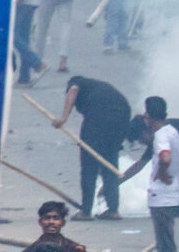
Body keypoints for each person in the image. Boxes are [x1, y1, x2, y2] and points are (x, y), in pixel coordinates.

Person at [55, 74, 132, 217]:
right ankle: (113, 210)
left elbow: (73, 90)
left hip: (99, 119)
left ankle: (86, 211)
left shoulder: (77, 83)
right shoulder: (98, 86)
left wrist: (63, 118)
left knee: (89, 166)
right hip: (121, 118)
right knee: (110, 164)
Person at [135, 100, 179, 252]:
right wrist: (176, 169)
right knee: (167, 246)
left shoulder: (160, 136)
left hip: (161, 198)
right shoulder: (172, 131)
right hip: (172, 195)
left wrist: (163, 172)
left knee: (166, 250)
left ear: (148, 117)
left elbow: (165, 157)